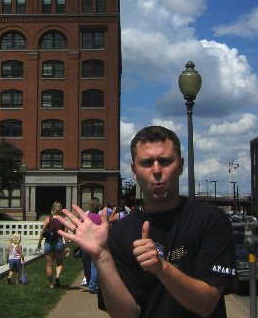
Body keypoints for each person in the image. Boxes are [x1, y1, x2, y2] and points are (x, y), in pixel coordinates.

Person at [58, 125, 236, 317]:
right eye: (147, 162)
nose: (157, 170)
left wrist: (161, 267)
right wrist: (102, 257)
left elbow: (206, 304)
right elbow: (127, 314)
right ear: (134, 169)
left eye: (165, 161)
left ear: (181, 165)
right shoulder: (119, 233)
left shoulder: (211, 220)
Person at [37, 201, 70, 289]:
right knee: (59, 263)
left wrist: (39, 242)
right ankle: (57, 276)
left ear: (53, 208)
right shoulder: (64, 220)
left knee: (49, 265)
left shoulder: (48, 218)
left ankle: (51, 284)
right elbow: (65, 235)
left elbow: (42, 232)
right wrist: (67, 246)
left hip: (48, 243)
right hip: (59, 243)